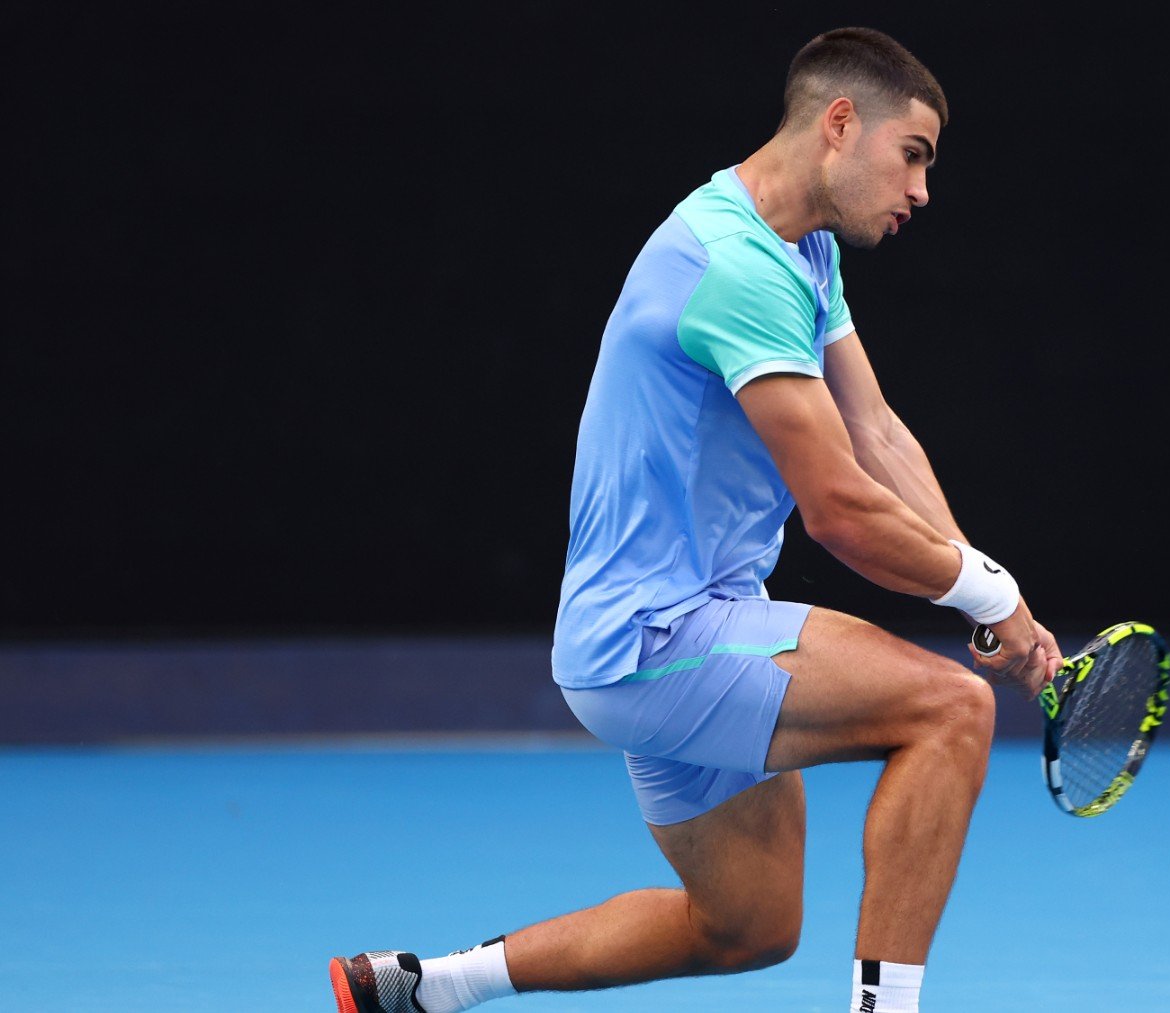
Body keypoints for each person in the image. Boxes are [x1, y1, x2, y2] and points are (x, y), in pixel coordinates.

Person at [329, 26, 1061, 1013]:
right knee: (950, 709)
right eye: (914, 153)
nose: (923, 187)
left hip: (669, 630)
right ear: (840, 124)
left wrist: (984, 589)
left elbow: (876, 431)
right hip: (659, 638)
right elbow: (841, 509)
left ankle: (427, 986)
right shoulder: (736, 270)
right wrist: (991, 593)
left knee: (747, 925)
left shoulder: (798, 248)